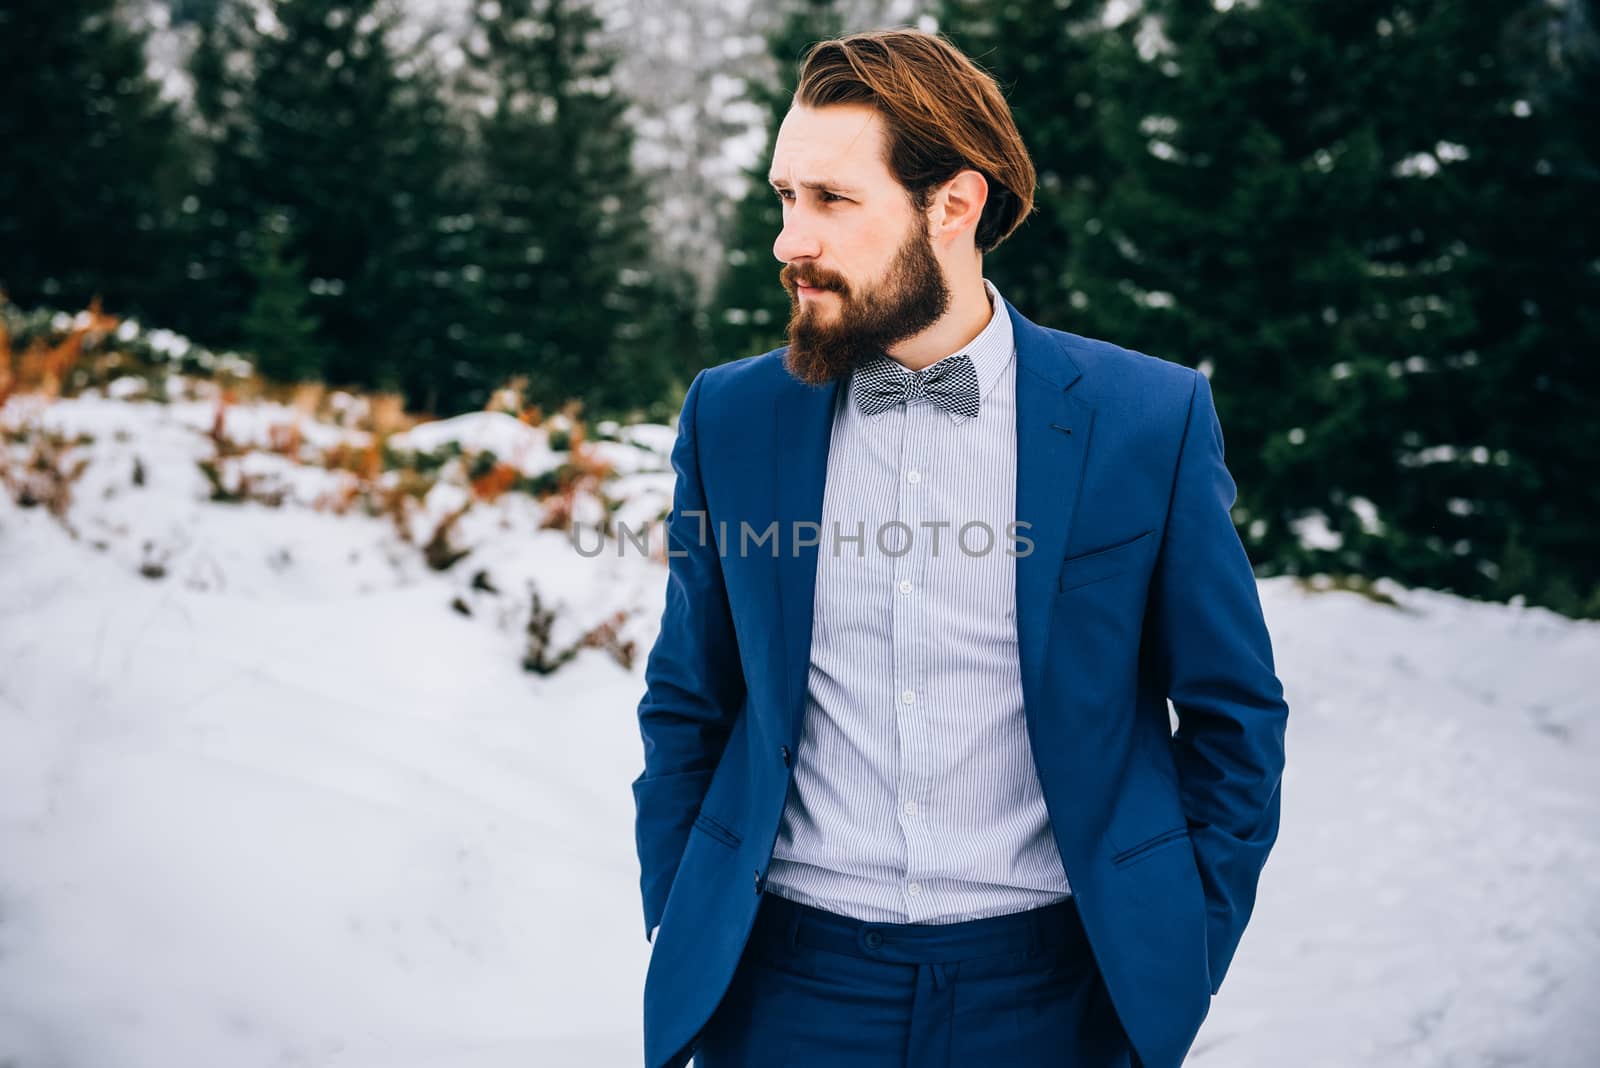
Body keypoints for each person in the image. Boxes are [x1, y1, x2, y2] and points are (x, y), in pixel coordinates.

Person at [630, 28, 1288, 1068]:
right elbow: (688, 700)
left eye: (831, 201)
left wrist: (1179, 944)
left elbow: (1232, 713)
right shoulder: (732, 417)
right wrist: (685, 908)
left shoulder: (1145, 420)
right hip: (784, 996)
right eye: (782, 197)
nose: (787, 241)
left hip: (1055, 1002)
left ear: (954, 206)